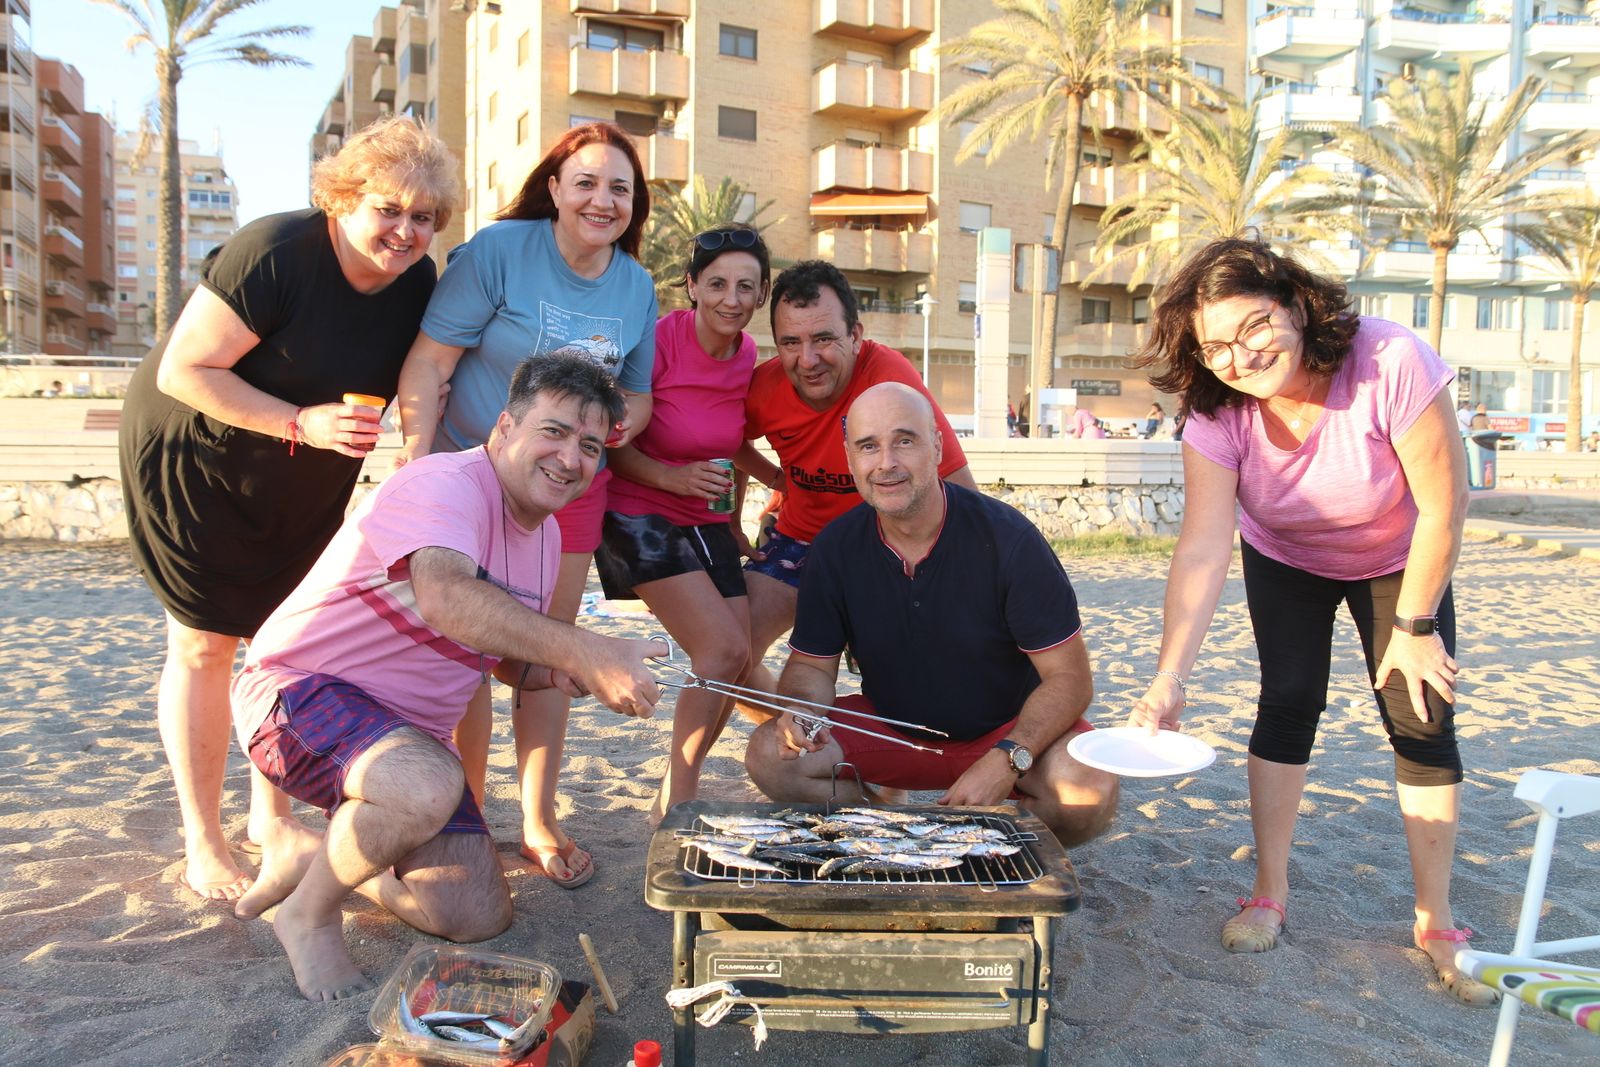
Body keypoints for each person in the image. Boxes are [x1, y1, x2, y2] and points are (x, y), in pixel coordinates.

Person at [1127, 238, 1494, 1007]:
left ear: (1294, 303)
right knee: (1288, 699)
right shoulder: (1217, 411)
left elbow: (1445, 503)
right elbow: (1201, 549)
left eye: (1255, 326)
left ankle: (1436, 918)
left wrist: (1418, 623)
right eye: (1216, 344)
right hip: (1286, 554)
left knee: (1419, 712)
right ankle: (1268, 890)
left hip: (1401, 554)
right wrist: (1170, 675)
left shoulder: (1391, 361)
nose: (1240, 354)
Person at [230, 357, 667, 1002]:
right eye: (553, 431)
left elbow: (496, 653)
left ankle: (317, 861)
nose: (570, 458)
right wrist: (589, 648)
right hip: (296, 697)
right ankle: (308, 915)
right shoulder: (443, 482)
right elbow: (446, 597)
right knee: (432, 781)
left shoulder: (543, 536)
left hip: (402, 743)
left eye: (590, 446)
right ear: (504, 426)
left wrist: (561, 670)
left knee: (474, 914)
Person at [118, 116, 457, 902]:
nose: (406, 231)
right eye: (389, 209)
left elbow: (418, 372)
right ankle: (204, 840)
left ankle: (270, 821)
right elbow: (183, 367)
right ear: (343, 198)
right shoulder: (275, 251)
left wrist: (417, 456)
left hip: (306, 472)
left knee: (284, 643)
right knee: (206, 645)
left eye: (424, 216)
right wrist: (298, 421)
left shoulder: (417, 278)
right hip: (198, 454)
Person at [394, 121, 656, 888]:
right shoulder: (500, 252)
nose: (602, 200)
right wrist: (418, 471)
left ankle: (538, 818)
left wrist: (625, 417)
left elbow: (633, 390)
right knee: (467, 650)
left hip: (568, 484)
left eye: (619, 188)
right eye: (586, 183)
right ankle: (466, 811)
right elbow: (427, 362)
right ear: (554, 188)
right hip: (470, 475)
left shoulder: (635, 284)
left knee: (551, 648)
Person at [744, 383, 1118, 847]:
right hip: (893, 728)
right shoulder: (836, 547)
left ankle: (1004, 836)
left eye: (905, 440)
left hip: (1005, 728)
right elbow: (811, 666)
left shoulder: (1009, 539)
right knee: (768, 754)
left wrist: (1008, 758)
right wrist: (800, 712)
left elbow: (1070, 679)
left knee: (1090, 788)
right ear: (850, 457)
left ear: (938, 445)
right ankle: (888, 835)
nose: (886, 463)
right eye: (868, 446)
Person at [733, 260, 976, 704]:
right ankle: (791, 726)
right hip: (800, 539)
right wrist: (734, 516)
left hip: (881, 546)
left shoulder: (888, 378)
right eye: (791, 342)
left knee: (914, 673)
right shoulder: (764, 387)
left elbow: (960, 487)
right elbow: (724, 441)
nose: (807, 360)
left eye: (823, 338)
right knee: (726, 649)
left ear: (856, 336)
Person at [597, 223, 771, 824]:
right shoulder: (659, 341)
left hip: (707, 519)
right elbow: (614, 441)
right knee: (720, 650)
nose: (731, 298)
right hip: (636, 510)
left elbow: (731, 443)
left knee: (739, 654)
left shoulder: (748, 355)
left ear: (762, 294)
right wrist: (672, 478)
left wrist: (767, 493)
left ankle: (677, 780)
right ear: (692, 286)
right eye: (717, 283)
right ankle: (681, 795)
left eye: (746, 286)